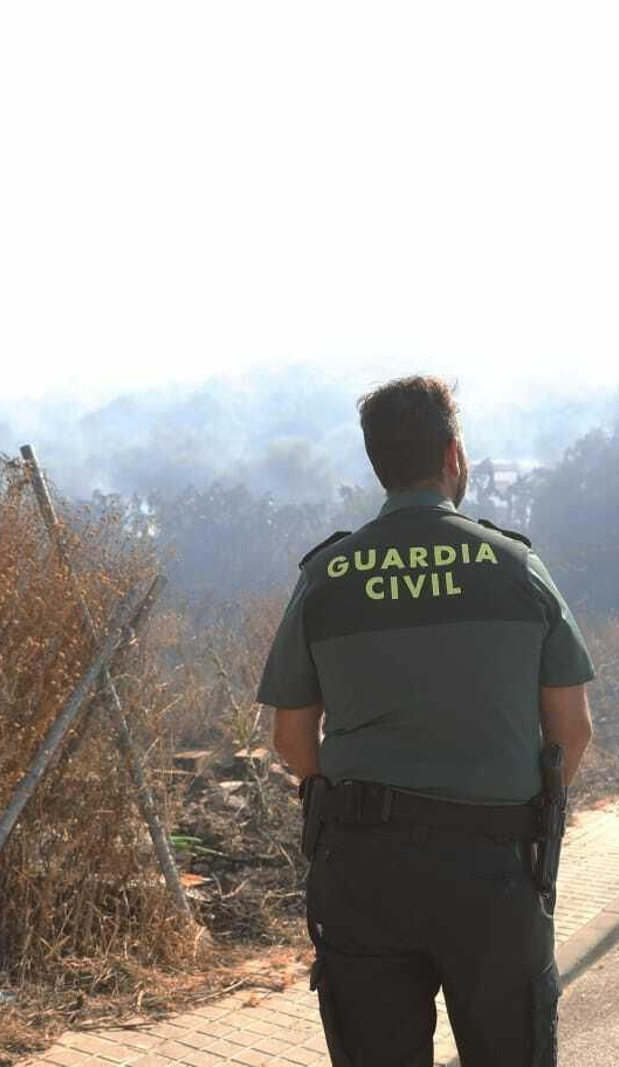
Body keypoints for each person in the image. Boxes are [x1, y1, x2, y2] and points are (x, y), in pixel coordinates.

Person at [257, 375, 595, 1067]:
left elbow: (291, 737)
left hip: (362, 871)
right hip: (493, 872)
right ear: (453, 455)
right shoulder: (516, 567)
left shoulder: (328, 574)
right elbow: (573, 730)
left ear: (379, 462)